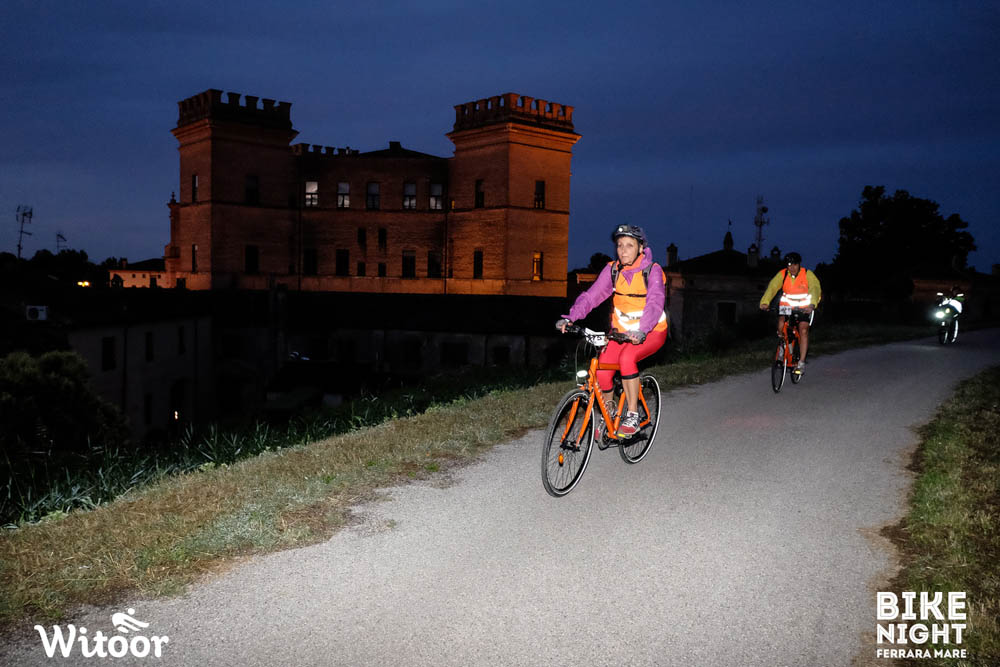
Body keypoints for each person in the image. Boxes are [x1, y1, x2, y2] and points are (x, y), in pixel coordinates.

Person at [556, 224, 668, 437]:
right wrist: (570, 317)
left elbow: (655, 302)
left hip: (652, 331)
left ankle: (633, 415)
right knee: (601, 371)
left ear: (641, 248)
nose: (623, 251)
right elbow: (591, 297)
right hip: (620, 333)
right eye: (619, 245)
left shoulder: (652, 271)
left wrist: (643, 330)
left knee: (627, 358)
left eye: (629, 245)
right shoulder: (613, 270)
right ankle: (608, 412)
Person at [759, 252, 822, 375]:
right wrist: (765, 302)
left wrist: (812, 304)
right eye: (789, 265)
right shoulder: (782, 274)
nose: (792, 267)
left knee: (803, 330)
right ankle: (783, 348)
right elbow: (772, 287)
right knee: (781, 324)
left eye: (794, 264)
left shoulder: (807, 274)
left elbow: (815, 288)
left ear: (799, 264)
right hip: (787, 306)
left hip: (804, 307)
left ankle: (801, 363)